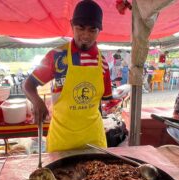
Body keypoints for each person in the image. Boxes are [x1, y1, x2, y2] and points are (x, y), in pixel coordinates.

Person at [23, 0, 112, 153]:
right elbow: (28, 85)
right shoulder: (56, 57)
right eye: (80, 28)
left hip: (93, 139)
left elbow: (102, 101)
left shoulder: (102, 63)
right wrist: (37, 101)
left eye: (92, 30)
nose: (85, 35)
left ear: (99, 31)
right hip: (62, 140)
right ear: (72, 26)